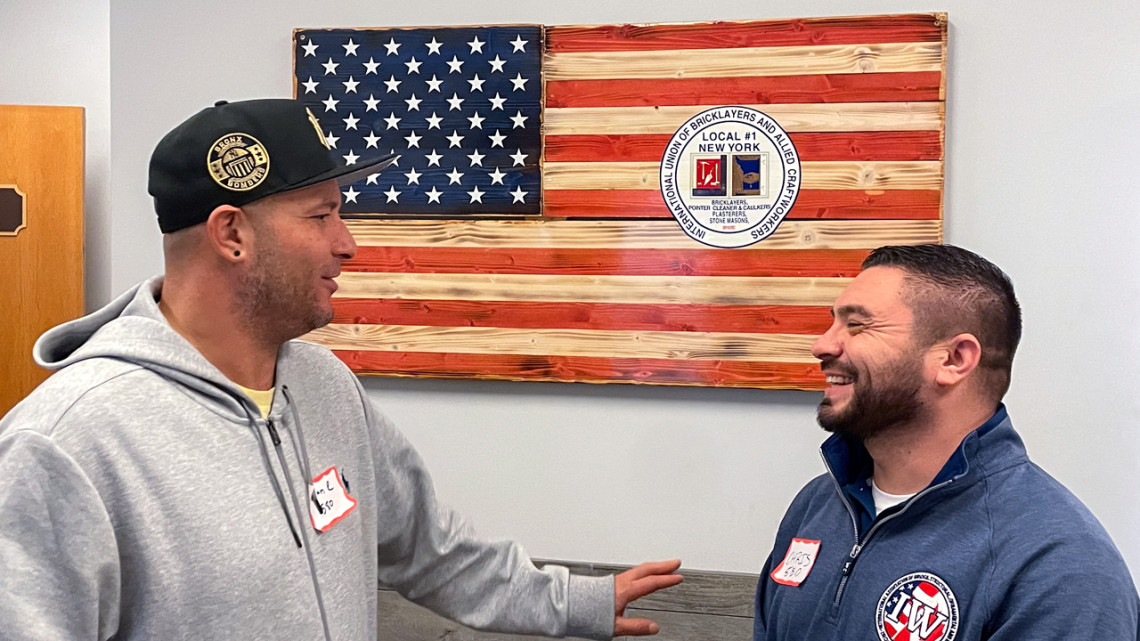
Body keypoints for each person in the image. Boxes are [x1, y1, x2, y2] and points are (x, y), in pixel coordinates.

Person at [0, 98, 681, 641]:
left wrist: (575, 600)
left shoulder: (324, 386)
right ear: (231, 233)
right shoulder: (65, 442)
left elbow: (431, 549)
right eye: (321, 215)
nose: (347, 243)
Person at [753, 244, 1139, 640]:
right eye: (834, 323)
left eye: (857, 325)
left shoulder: (1060, 566)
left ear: (955, 359)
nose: (822, 345)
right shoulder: (817, 505)